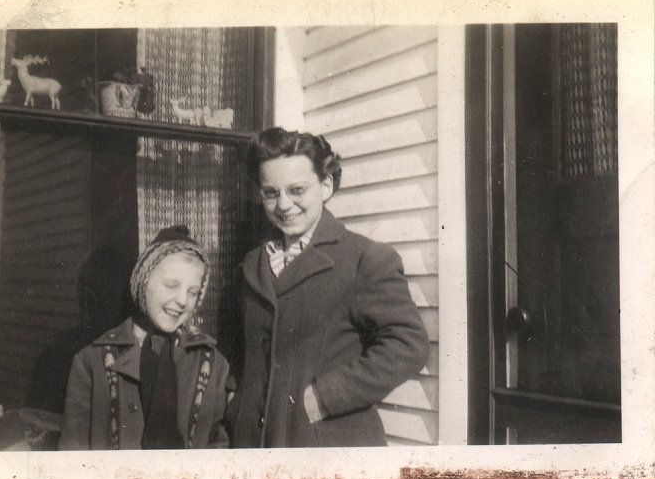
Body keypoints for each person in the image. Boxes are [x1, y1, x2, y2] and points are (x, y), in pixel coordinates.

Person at [226, 127, 430, 447]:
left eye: (297, 190)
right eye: (271, 192)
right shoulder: (251, 265)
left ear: (325, 185)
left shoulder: (364, 259)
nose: (284, 205)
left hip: (327, 446)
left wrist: (325, 397)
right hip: (254, 446)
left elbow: (409, 345)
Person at [58, 226, 229, 450]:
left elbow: (217, 446)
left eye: (193, 292)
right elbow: (73, 452)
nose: (182, 300)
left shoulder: (211, 363)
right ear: (142, 281)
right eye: (171, 285)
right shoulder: (92, 361)